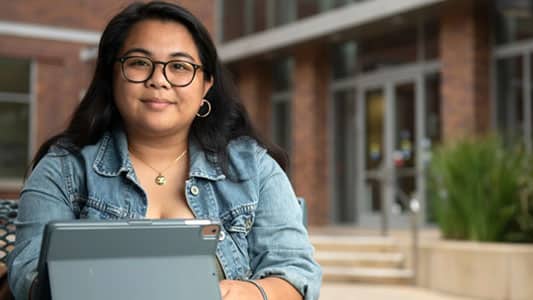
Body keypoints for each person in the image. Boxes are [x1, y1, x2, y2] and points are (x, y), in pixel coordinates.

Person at [7, 2, 321, 300]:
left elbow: (296, 274)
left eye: (180, 67)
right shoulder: (63, 168)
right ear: (112, 75)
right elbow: (29, 277)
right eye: (140, 62)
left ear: (205, 85)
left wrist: (253, 293)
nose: (159, 80)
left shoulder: (253, 168)